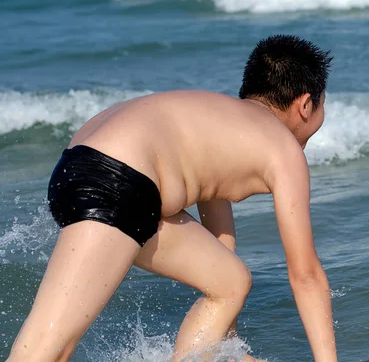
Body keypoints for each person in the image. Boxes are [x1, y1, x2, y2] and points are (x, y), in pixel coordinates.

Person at [8, 35, 337, 362]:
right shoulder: (284, 149)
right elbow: (305, 275)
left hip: (82, 167)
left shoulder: (217, 123)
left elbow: (220, 251)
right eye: (322, 108)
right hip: (115, 178)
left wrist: (229, 351)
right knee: (46, 348)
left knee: (231, 281)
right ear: (305, 105)